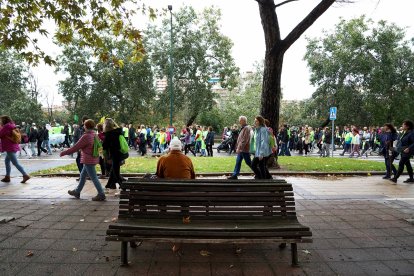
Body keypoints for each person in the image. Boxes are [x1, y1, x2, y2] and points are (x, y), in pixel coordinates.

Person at [60, 119, 106, 201]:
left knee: (94, 177)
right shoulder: (94, 134)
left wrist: (64, 153)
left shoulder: (86, 136)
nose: (83, 126)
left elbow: (75, 147)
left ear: (86, 126)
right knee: (83, 176)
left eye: (84, 125)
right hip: (93, 158)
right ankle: (77, 191)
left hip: (88, 160)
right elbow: (100, 147)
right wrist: (102, 156)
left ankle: (101, 193)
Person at [0, 115, 30, 183]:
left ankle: (25, 175)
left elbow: (0, 134)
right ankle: (7, 176)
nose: (0, 121)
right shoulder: (11, 125)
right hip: (12, 145)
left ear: (4, 120)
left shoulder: (6, 127)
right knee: (7, 161)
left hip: (10, 147)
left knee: (15, 163)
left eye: (1, 120)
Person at [102, 118, 125, 189]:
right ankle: (110, 184)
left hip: (114, 154)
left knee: (115, 172)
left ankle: (123, 185)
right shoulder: (118, 132)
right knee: (114, 169)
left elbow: (104, 146)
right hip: (121, 153)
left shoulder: (109, 134)